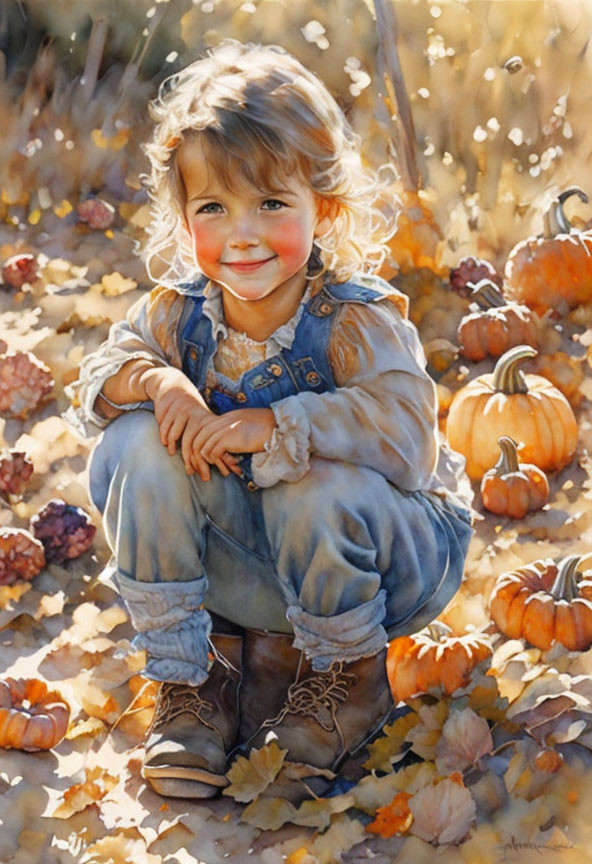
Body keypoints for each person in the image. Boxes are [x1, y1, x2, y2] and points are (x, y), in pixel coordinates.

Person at [66, 40, 474, 800]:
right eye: (213, 207)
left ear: (327, 207)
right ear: (182, 217)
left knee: (305, 480)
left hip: (387, 557)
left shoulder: (357, 322)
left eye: (272, 204)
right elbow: (95, 381)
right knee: (135, 438)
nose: (242, 233)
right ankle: (199, 677)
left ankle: (345, 681)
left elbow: (409, 439)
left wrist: (281, 424)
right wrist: (160, 383)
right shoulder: (178, 315)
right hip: (258, 563)